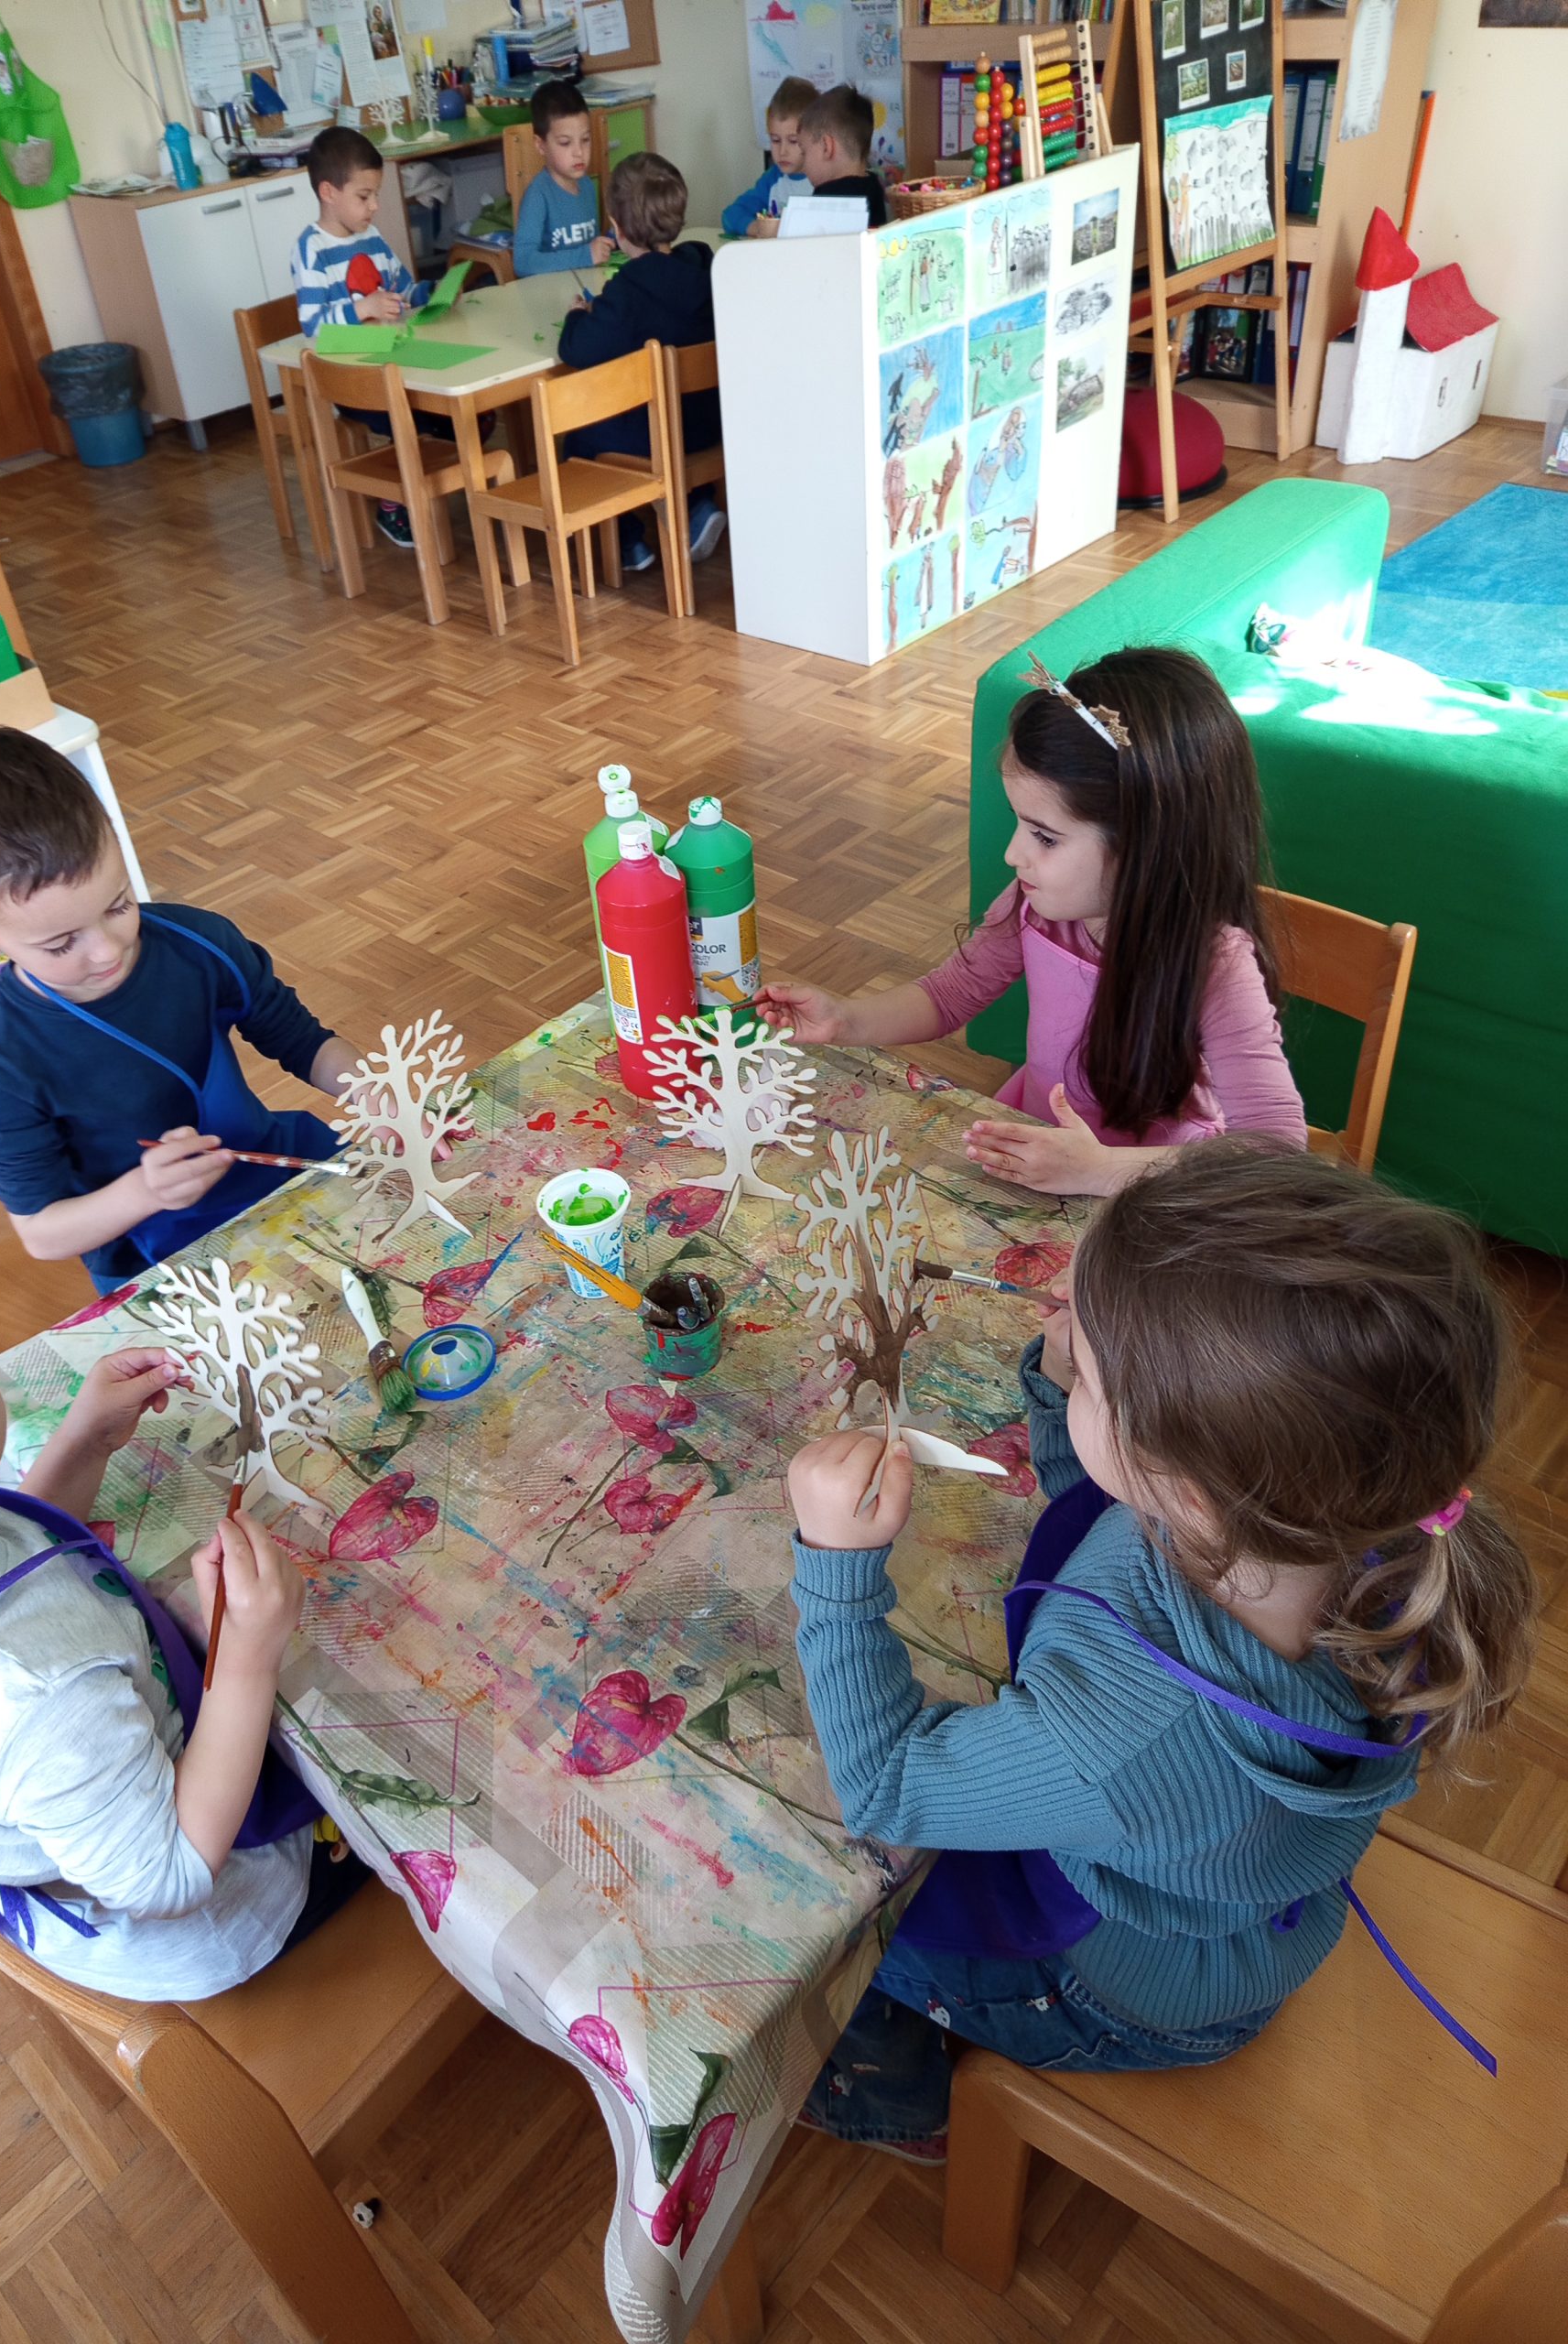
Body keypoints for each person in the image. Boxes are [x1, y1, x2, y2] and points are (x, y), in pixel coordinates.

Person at [788, 1141, 1536, 2159]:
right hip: (1218, 1897)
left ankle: (894, 2092)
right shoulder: (1347, 1533)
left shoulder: (1125, 1732)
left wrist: (837, 1568)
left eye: (1092, 1372)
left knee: (834, 1939)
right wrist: (1070, 1397)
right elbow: (1116, 1514)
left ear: (1183, 1488)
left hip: (1120, 1992)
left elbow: (886, 1786)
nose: (1063, 1330)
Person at [0, 1226, 371, 2000]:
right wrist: (246, 1656)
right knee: (378, 1782)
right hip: (228, 1905)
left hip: (96, 1802)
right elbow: (173, 1874)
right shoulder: (35, 1704)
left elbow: (10, 1567)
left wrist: (83, 1443)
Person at [757, 647, 1306, 1195]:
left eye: (1044, 836)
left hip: (1158, 1193)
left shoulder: (1215, 962)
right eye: (1021, 825)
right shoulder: (1035, 902)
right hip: (1040, 1155)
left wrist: (1099, 1170)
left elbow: (1274, 1147)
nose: (1013, 854)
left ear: (1148, 846)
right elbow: (950, 995)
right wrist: (846, 1020)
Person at [0, 728, 362, 1294]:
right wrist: (146, 1192)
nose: (108, 951)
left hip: (274, 1173)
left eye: (118, 905)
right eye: (60, 944)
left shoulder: (199, 942)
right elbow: (43, 1233)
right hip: (154, 1257)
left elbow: (302, 1040)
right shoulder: (1, 1065)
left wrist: (377, 1093)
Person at [558, 152, 723, 574]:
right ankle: (697, 506)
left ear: (616, 226)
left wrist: (578, 314)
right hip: (713, 423)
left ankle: (627, 542)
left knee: (580, 434)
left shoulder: (628, 292)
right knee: (658, 407)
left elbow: (576, 349)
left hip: (663, 435)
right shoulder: (705, 265)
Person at [291, 124, 428, 549]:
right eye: (364, 196)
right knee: (413, 415)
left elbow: (402, 288)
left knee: (458, 413)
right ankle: (394, 503)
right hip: (352, 380)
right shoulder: (311, 249)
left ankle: (426, 488)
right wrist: (363, 309)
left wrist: (430, 293)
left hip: (393, 363)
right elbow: (313, 326)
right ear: (328, 192)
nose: (374, 206)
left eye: (376, 195)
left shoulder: (371, 238)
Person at [515, 80, 612, 277]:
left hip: (586, 286)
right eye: (565, 143)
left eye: (585, 140)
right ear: (540, 145)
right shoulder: (538, 195)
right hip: (551, 291)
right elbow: (523, 262)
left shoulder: (587, 185)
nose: (579, 152)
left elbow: (591, 252)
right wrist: (586, 255)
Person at [721, 74, 816, 240]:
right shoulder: (772, 180)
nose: (782, 151)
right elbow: (730, 215)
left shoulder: (825, 181)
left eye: (793, 141)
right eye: (775, 140)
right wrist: (755, 227)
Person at [798, 83, 889, 230]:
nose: (802, 167)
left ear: (826, 147)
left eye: (804, 152)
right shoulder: (875, 185)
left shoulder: (825, 197)